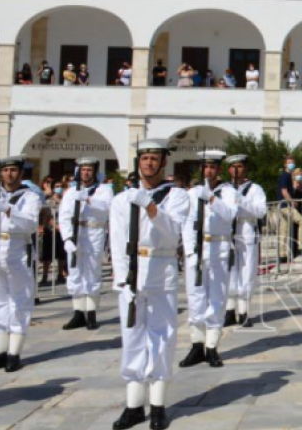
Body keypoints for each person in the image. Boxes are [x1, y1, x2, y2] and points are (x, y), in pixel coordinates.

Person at [108, 138, 189, 430]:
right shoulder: (121, 199)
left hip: (161, 268)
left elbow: (172, 233)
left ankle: (157, 405)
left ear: (164, 162)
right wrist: (121, 277)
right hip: (132, 270)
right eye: (145, 158)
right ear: (138, 162)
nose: (149, 163)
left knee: (162, 336)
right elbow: (117, 241)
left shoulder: (176, 196)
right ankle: (133, 406)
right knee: (131, 337)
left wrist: (151, 207)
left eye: (155, 158)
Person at [0, 154, 41, 374]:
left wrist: (9, 209)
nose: (9, 174)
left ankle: (14, 353)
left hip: (18, 251)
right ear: (1, 173)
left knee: (19, 301)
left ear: (21, 173)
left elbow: (30, 224)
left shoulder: (30, 198)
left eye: (13, 170)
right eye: (5, 170)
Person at [179, 150, 238, 371]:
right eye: (205, 167)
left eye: (213, 167)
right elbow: (185, 221)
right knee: (195, 298)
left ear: (219, 169)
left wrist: (212, 199)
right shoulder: (192, 193)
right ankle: (196, 344)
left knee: (216, 298)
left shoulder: (228, 192)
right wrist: (188, 248)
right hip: (197, 249)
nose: (209, 170)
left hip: (219, 248)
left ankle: (212, 345)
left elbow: (230, 214)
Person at [58, 158, 114, 330]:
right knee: (75, 273)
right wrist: (67, 238)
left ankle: (91, 313)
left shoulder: (104, 190)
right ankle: (78, 313)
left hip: (94, 232)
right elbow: (64, 215)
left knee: (91, 272)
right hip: (76, 233)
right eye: (83, 170)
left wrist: (89, 200)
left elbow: (108, 207)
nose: (86, 173)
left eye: (89, 170)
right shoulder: (71, 191)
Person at [224, 154, 267, 328]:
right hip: (228, 232)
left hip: (247, 230)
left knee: (246, 271)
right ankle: (229, 309)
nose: (236, 170)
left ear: (245, 168)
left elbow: (261, 211)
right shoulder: (224, 188)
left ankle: (243, 311)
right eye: (233, 167)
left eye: (239, 166)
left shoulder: (254, 189)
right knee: (229, 271)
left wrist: (242, 200)